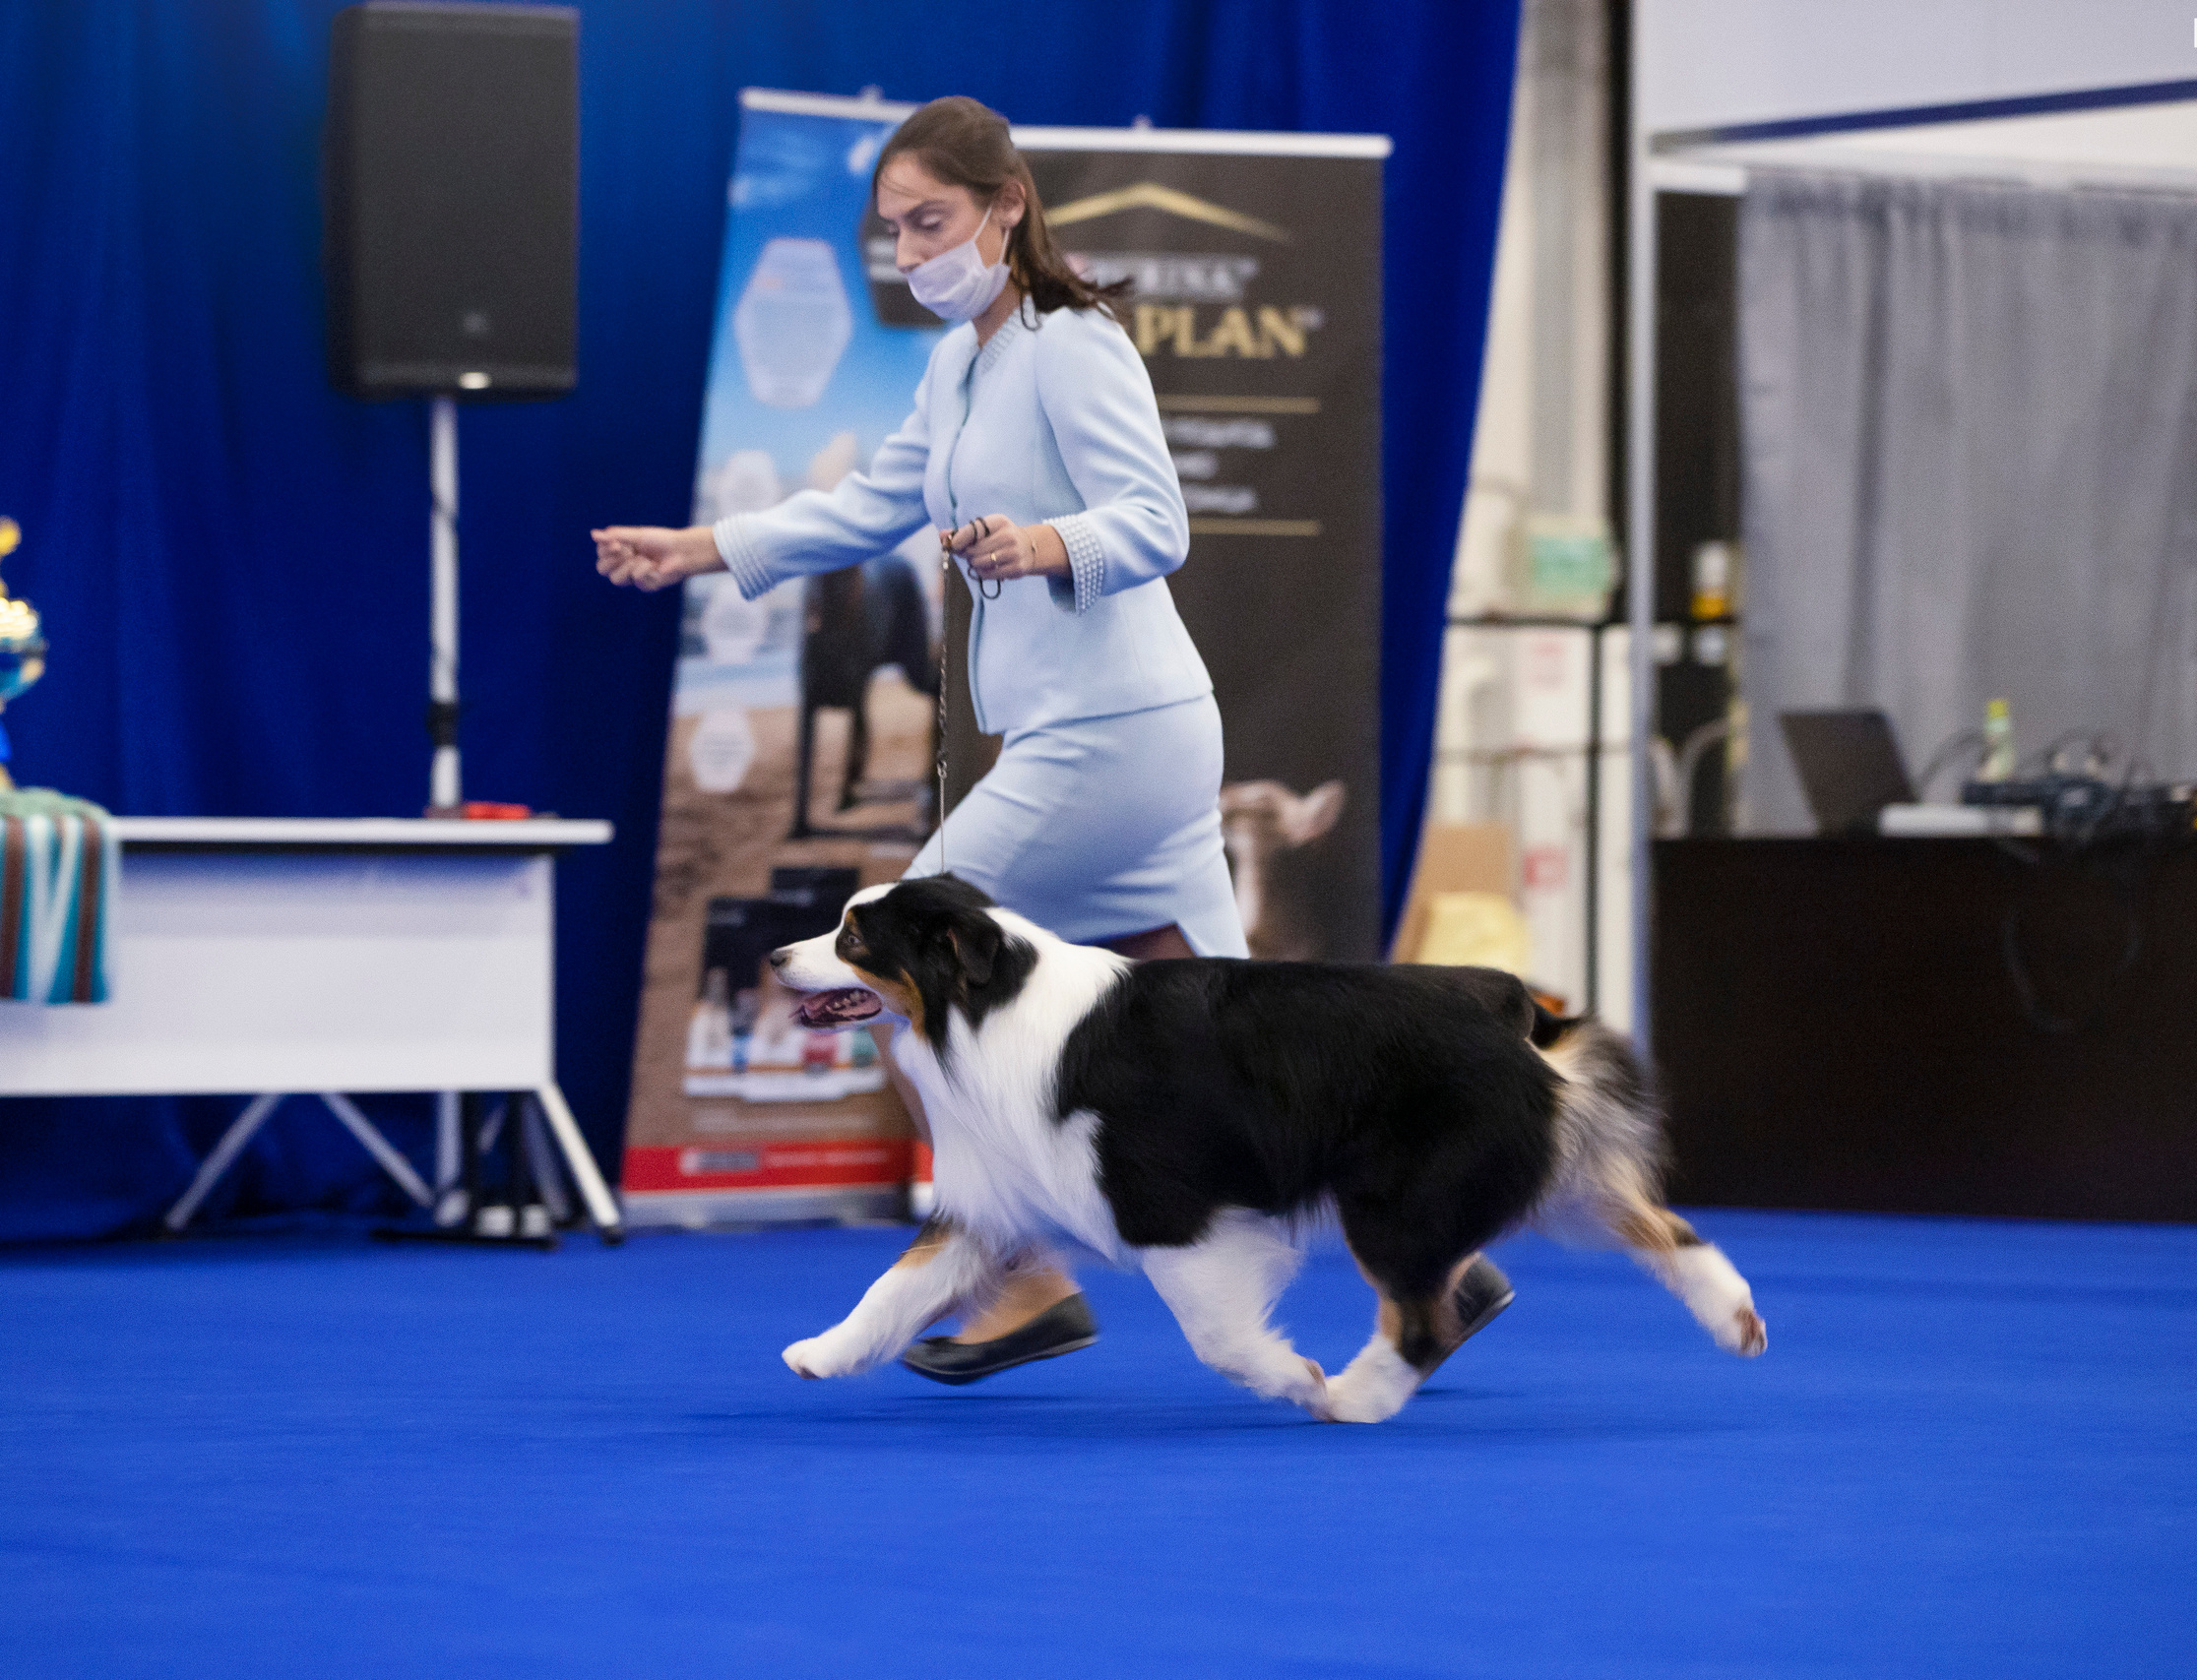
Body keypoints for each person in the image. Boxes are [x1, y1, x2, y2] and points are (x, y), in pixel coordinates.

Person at [596, 95, 1512, 1385]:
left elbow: (1159, 519)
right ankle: (1439, 1262)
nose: (912, 251)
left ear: (1006, 204)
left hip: (1110, 734)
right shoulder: (960, 359)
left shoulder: (1072, 340)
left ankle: (1017, 1271)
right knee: (1252, 1031)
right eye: (895, 230)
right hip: (1117, 734)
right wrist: (704, 546)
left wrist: (1047, 540)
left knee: (887, 958)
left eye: (934, 221)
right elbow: (870, 500)